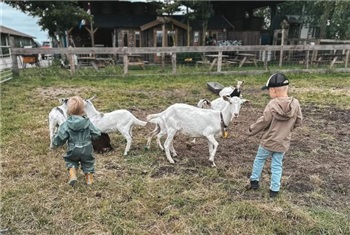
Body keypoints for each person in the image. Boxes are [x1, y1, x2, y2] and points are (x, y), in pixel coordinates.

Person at [246, 73, 303, 198]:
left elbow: (264, 121)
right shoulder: (296, 104)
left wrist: (251, 130)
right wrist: (288, 129)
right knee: (277, 165)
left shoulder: (272, 104)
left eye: (268, 91)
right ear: (286, 88)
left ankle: (254, 182)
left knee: (260, 159)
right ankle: (274, 190)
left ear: (272, 90)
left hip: (268, 141)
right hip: (283, 142)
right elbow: (299, 121)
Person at [52, 96, 101, 186]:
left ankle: (73, 175)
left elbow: (61, 137)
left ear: (69, 110)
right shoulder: (87, 122)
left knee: (71, 160)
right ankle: (89, 179)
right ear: (83, 109)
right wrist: (94, 137)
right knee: (88, 161)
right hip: (87, 148)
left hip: (73, 148)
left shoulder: (66, 124)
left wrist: (55, 142)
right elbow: (96, 133)